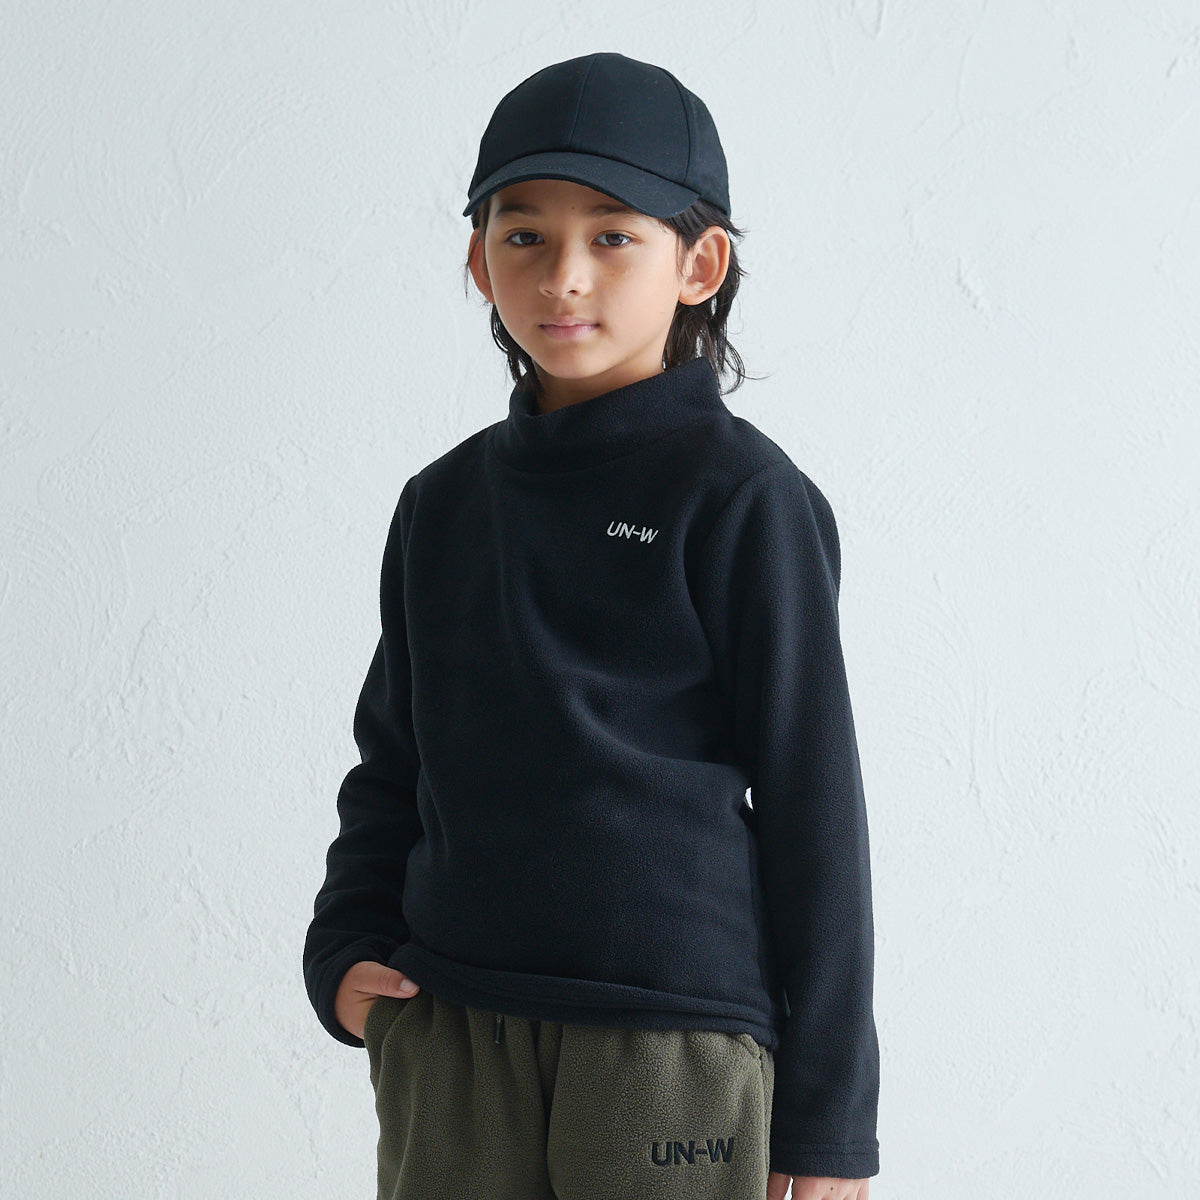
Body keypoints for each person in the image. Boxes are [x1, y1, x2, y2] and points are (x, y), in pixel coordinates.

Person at [303, 50, 880, 1200]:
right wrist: (344, 950)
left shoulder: (745, 502)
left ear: (698, 264)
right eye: (525, 235)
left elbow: (815, 813)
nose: (564, 276)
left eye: (613, 236)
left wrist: (829, 1121)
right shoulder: (442, 504)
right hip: (450, 1024)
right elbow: (393, 761)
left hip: (668, 1045)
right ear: (479, 261)